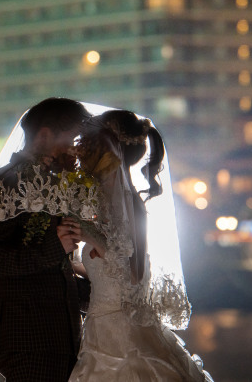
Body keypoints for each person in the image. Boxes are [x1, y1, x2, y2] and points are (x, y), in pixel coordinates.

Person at [60, 109, 213, 381]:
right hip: (101, 329)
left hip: (122, 334)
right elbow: (108, 273)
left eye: (92, 143)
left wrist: (91, 237)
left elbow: (134, 274)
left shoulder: (132, 205)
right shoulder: (102, 205)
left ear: (109, 150)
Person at [0, 97, 92, 381]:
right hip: (29, 340)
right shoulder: (4, 183)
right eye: (73, 136)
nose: (77, 146)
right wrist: (55, 248)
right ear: (45, 134)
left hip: (67, 337)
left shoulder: (57, 184)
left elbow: (56, 270)